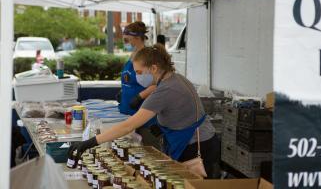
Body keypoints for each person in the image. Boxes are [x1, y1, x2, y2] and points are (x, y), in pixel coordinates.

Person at [68, 44, 219, 178]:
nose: (138, 77)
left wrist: (89, 143)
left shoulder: (165, 90)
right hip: (202, 140)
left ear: (153, 68)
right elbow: (180, 111)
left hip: (196, 146)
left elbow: (127, 126)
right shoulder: (177, 78)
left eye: (139, 72)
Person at [118, 21, 156, 115]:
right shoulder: (133, 55)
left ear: (138, 38)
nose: (125, 43)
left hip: (141, 111)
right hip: (126, 110)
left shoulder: (148, 56)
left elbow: (157, 84)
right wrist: (122, 91)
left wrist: (139, 97)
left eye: (127, 40)